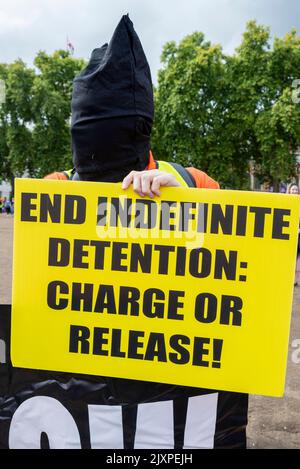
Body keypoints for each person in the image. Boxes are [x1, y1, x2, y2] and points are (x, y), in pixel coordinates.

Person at [44, 15, 248, 449]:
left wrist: (192, 205)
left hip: (172, 405)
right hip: (85, 400)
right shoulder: (54, 191)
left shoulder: (194, 183)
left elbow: (247, 276)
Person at [287, 183, 300, 286]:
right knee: (290, 258)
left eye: (296, 190)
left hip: (299, 235)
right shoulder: (286, 202)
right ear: (289, 191)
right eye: (293, 190)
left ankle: (295, 280)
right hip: (289, 235)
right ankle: (290, 279)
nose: (295, 191)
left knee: (297, 259)